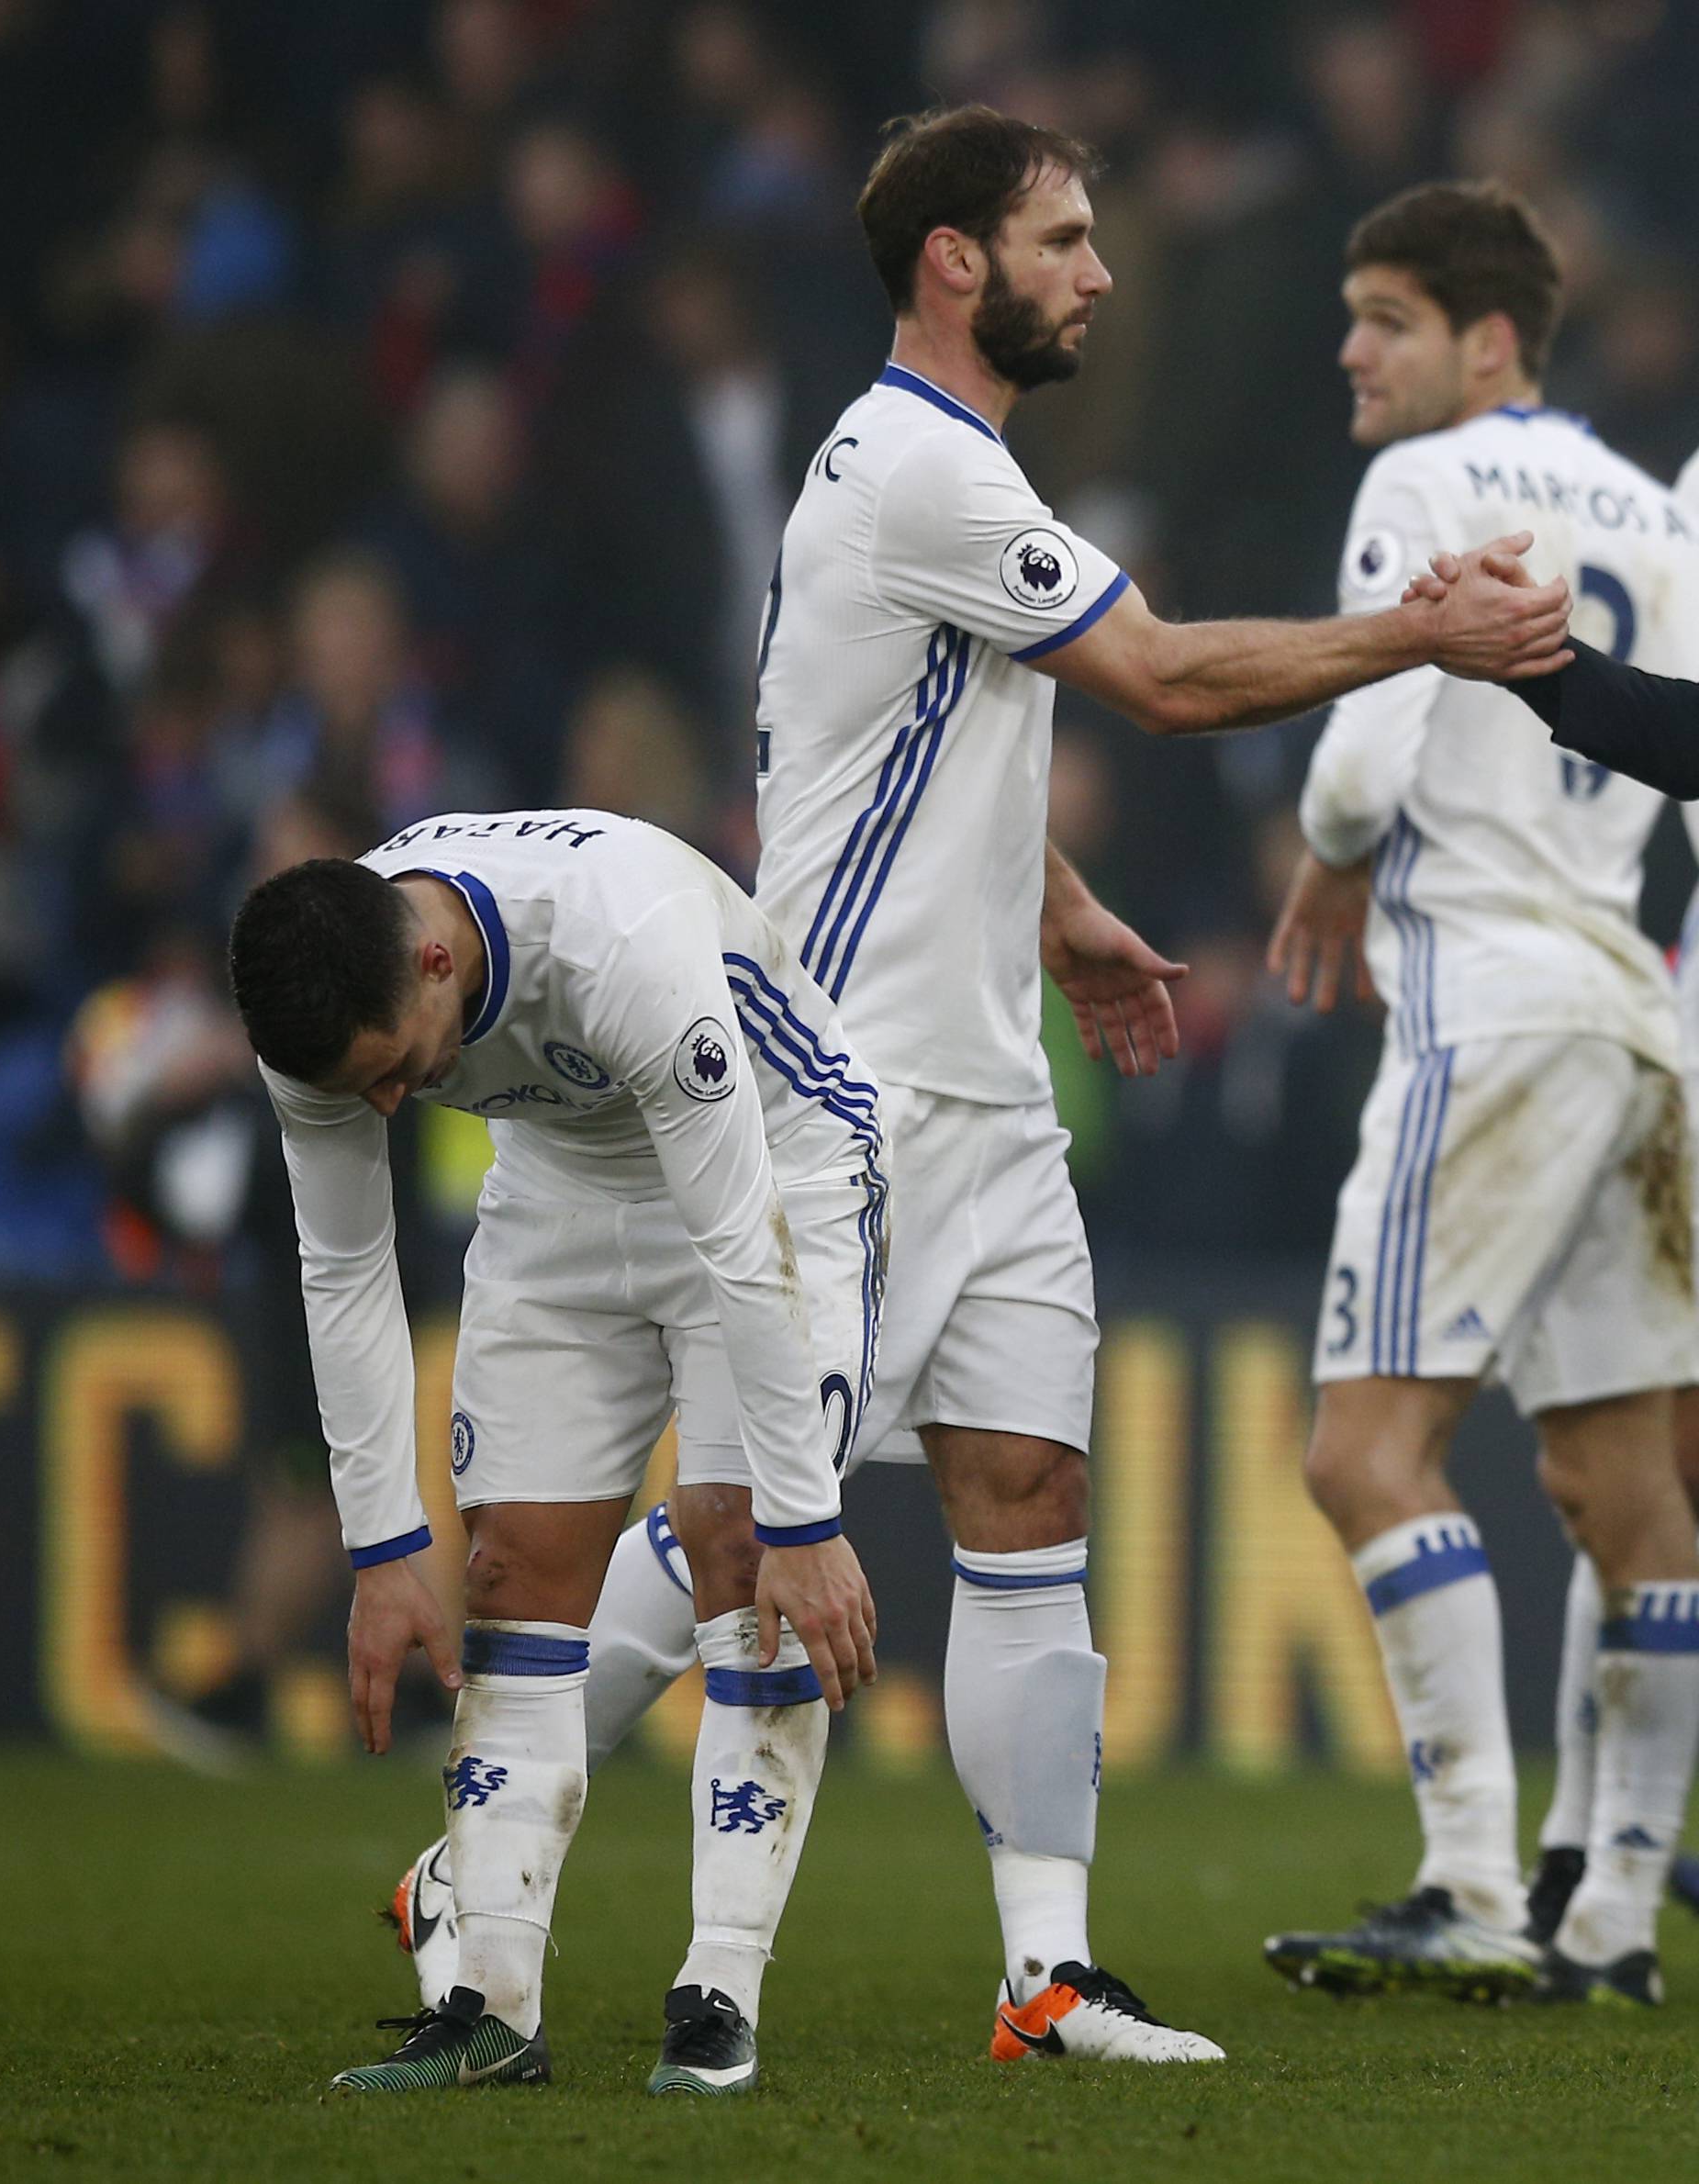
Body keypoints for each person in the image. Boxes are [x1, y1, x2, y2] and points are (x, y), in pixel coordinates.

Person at [387, 102, 1571, 2068]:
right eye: (1065, 238)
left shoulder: (954, 479)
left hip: (991, 1089)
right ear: (960, 259)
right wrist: (1421, 633)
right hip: (850, 1084)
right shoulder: (911, 467)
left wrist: (1065, 904)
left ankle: (1046, 1968)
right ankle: (469, 1857)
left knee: (1030, 1495)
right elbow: (1173, 678)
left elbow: (915, 748)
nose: (1099, 271)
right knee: (750, 1534)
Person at [227, 807, 886, 2097]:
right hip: (560, 1183)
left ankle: (719, 1995)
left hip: (773, 1158)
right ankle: (489, 2009)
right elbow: (347, 1264)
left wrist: (808, 1524)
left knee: (740, 1550)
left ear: (434, 961)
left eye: (391, 1070)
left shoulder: (617, 936)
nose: (383, 1102)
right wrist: (381, 1547)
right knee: (510, 1574)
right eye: (356, 1087)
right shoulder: (315, 1007)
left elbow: (742, 1239)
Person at [1260, 180, 1699, 2010]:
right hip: (1633, 1008)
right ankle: (1611, 1917)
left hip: (1492, 1005)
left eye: (1384, 317)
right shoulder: (1664, 513)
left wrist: (1329, 856)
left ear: (1486, 339)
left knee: (1364, 1452)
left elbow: (1367, 749)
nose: (1353, 352)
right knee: (1627, 1485)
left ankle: (1470, 1883)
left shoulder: (1426, 483)